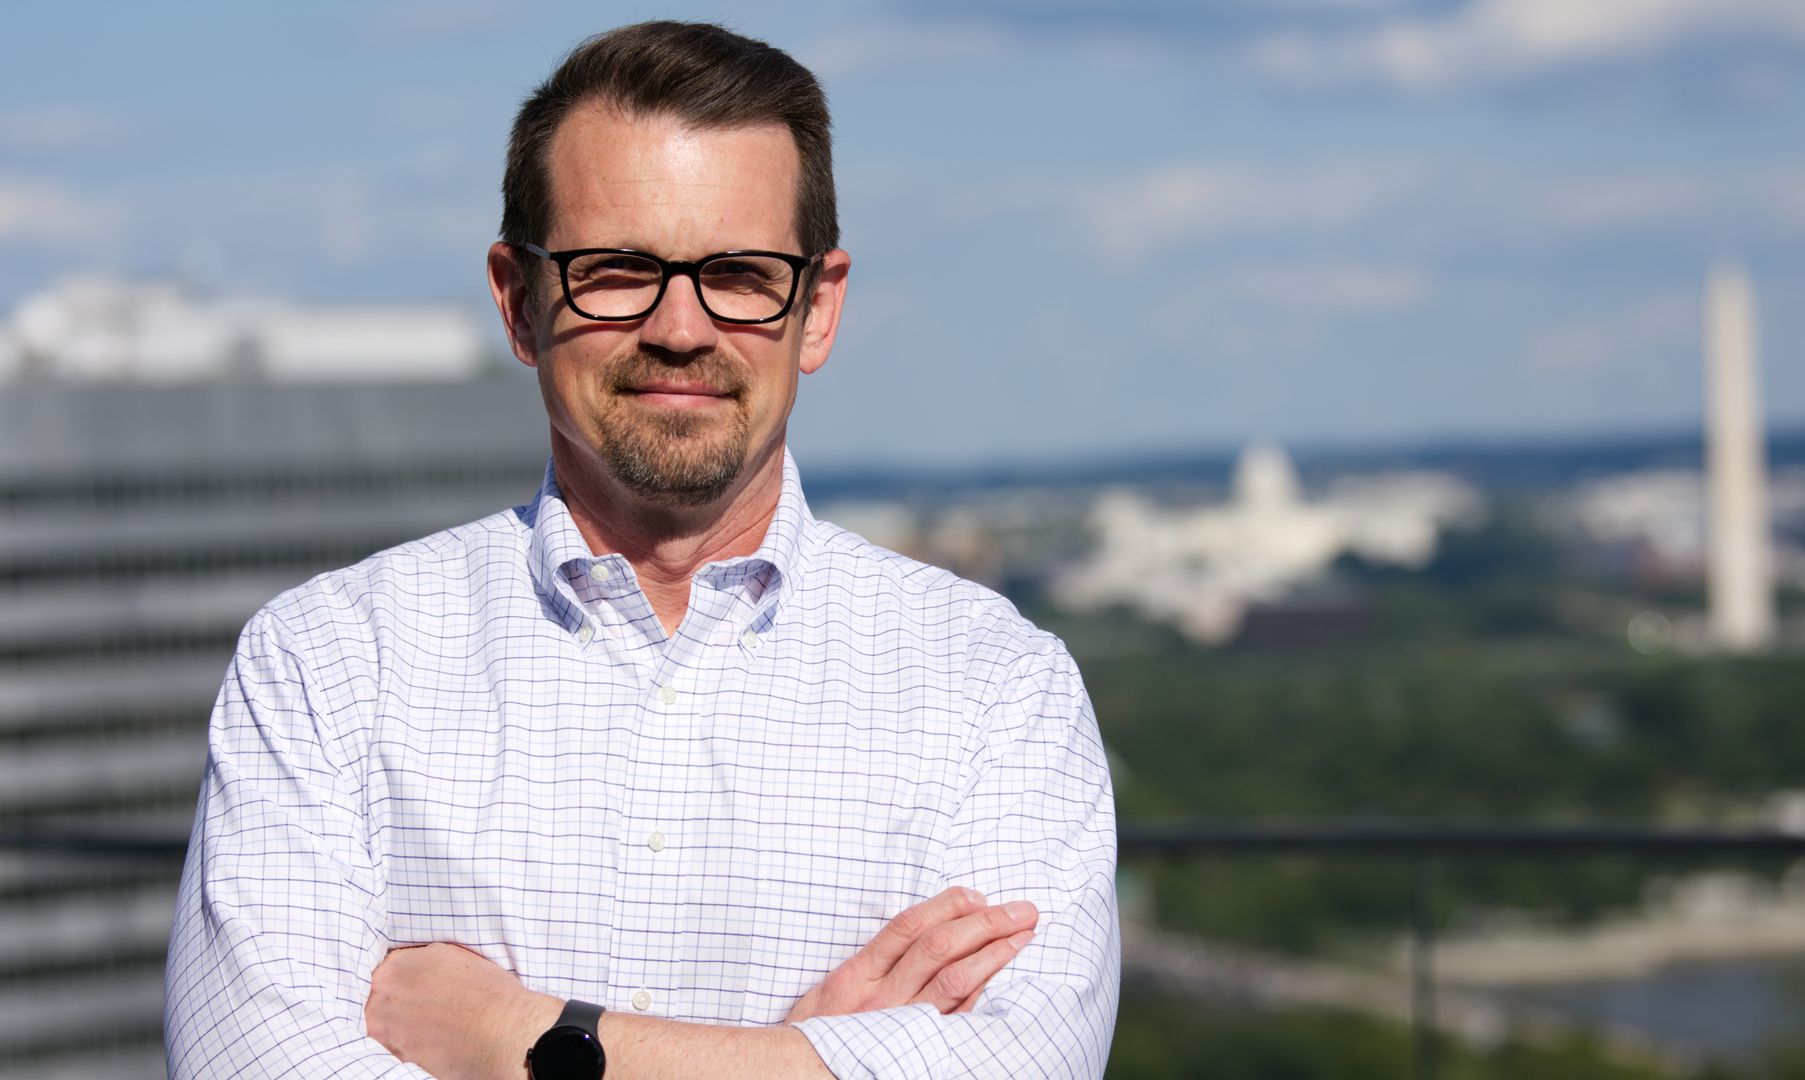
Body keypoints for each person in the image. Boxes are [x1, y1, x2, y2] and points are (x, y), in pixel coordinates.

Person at [162, 20, 1119, 1080]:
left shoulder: (994, 686)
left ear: (817, 308)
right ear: (519, 302)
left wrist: (522, 1040)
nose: (679, 327)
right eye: (616, 268)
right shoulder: (330, 664)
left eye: (741, 273)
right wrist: (805, 1058)